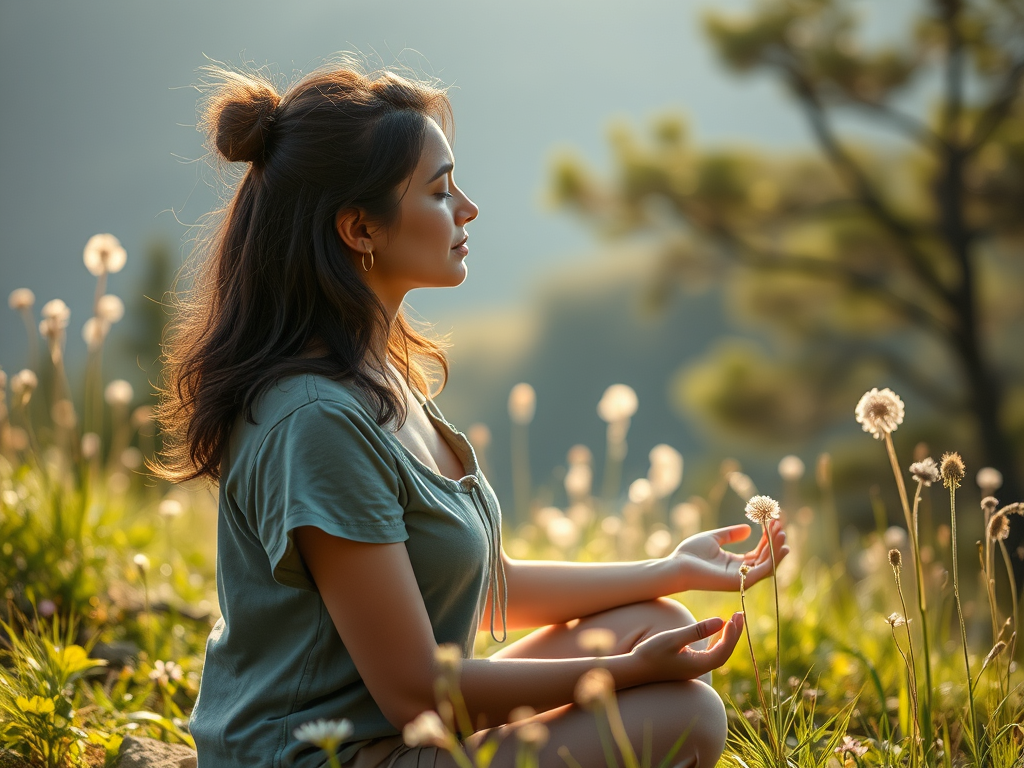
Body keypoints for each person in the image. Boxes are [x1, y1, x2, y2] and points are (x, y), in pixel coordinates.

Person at [154, 59, 788, 768]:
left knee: (653, 618)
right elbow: (416, 694)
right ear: (360, 229)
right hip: (328, 757)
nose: (467, 208)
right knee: (683, 715)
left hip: (402, 736)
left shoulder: (376, 373)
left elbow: (486, 582)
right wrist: (627, 675)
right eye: (438, 191)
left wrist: (669, 569)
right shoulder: (317, 421)